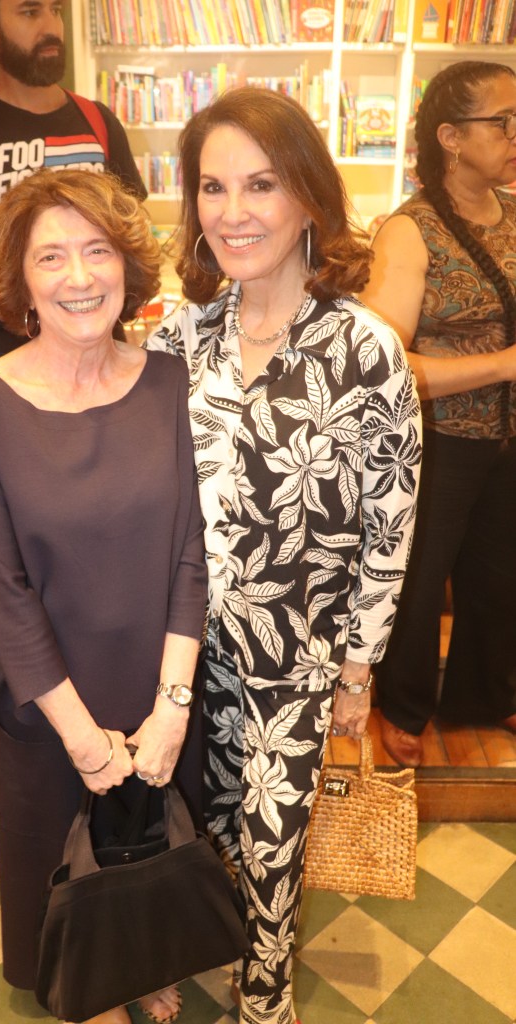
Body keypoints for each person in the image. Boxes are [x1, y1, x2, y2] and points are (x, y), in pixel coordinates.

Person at [0, 89, 422, 1024]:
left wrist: (357, 672)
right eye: (212, 188)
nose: (234, 212)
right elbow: (78, 397)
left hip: (285, 671)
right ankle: (156, 956)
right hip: (179, 661)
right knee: (176, 843)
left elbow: (388, 531)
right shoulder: (181, 341)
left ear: (308, 197)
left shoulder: (365, 351)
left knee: (270, 862)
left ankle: (263, 1001)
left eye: (261, 185)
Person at [0, 167, 207, 1024]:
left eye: (97, 250)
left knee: (150, 848)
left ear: (127, 264)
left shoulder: (172, 383)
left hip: (156, 681)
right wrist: (83, 739)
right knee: (58, 864)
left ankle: (143, 963)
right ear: (19, 281)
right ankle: (86, 988)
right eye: (50, 257)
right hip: (47, 696)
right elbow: (3, 591)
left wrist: (171, 709)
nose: (79, 276)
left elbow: (192, 556)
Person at [359, 61, 516, 768]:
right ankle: (402, 706)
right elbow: (384, 364)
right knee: (419, 584)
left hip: (507, 439)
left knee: (500, 576)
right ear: (451, 137)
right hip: (436, 443)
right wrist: (503, 365)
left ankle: (484, 695)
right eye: (502, 122)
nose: (515, 134)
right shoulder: (408, 230)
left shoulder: (512, 214)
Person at [0, 0, 146, 366]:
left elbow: (134, 235)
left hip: (102, 347)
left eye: (56, 10)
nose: (51, 27)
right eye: (30, 12)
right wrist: (29, 268)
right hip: (5, 353)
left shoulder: (100, 122)